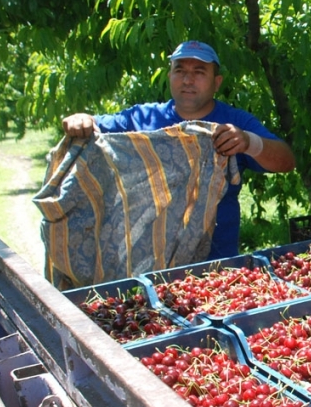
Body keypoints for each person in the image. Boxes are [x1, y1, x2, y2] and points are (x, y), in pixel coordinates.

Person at [60, 40, 296, 260]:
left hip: (215, 263)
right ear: (170, 76)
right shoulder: (143, 119)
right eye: (180, 70)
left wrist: (249, 142)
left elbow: (286, 161)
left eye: (199, 72)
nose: (187, 80)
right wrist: (82, 120)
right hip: (150, 263)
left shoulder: (234, 122)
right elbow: (96, 125)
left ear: (217, 82)